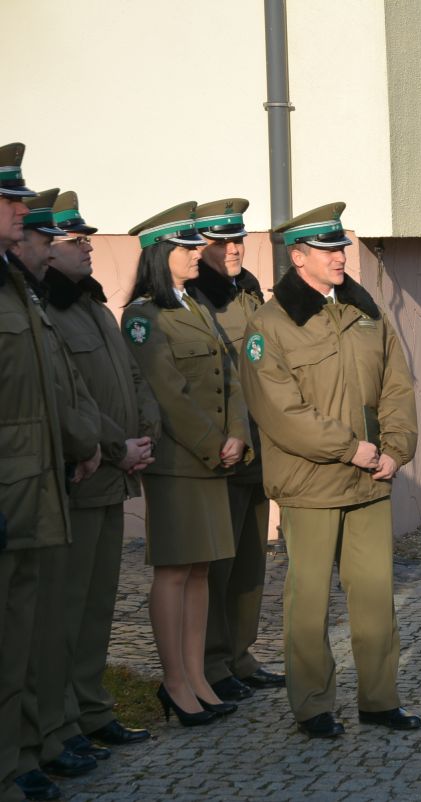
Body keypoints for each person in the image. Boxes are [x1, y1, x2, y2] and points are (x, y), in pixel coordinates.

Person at [239, 202, 420, 739]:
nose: (340, 256)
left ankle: (379, 699)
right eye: (327, 250)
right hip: (310, 483)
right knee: (309, 600)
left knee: (375, 596)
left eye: (341, 246)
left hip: (370, 479)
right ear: (298, 257)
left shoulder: (364, 312)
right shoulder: (270, 325)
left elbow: (397, 385)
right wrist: (350, 449)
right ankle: (313, 705)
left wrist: (395, 449)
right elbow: (280, 412)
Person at [123, 201, 253, 727]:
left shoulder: (193, 305)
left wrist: (237, 433)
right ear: (161, 254)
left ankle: (197, 676)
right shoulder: (144, 316)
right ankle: (175, 682)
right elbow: (167, 392)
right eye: (188, 247)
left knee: (200, 570)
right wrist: (213, 443)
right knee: (175, 571)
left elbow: (230, 376)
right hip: (179, 462)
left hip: (213, 456)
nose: (200, 253)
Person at [42, 191, 160, 757]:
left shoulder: (91, 304)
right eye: (74, 239)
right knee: (67, 609)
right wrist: (118, 447)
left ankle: (92, 708)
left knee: (99, 604)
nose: (87, 246)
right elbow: (74, 398)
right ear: (47, 247)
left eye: (87, 238)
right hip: (86, 474)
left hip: (114, 473)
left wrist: (145, 436)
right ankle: (62, 719)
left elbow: (130, 378)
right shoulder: (50, 310)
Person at [0, 145, 98, 802]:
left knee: (23, 637)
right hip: (13, 489)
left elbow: (51, 389)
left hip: (33, 488)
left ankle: (20, 756)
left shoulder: (15, 286)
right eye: (11, 201)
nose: (22, 210)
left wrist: (83, 442)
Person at [186, 198, 283, 701]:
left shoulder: (247, 291)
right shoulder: (196, 300)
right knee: (217, 565)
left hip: (261, 445)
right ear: (199, 248)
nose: (233, 249)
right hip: (226, 448)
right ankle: (213, 661)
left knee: (250, 563)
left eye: (238, 239)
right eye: (221, 242)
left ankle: (241, 654)